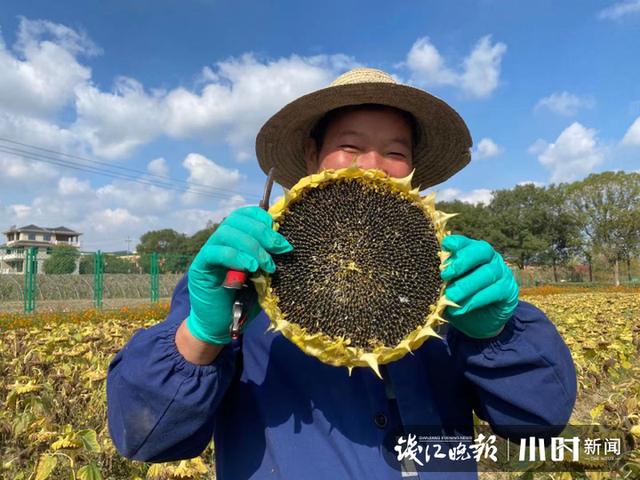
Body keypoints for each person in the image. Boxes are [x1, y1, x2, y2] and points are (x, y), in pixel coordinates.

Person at [107, 68, 577, 479]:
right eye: (350, 145)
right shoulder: (242, 275)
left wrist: (498, 336)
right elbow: (146, 438)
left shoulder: (452, 278)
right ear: (312, 155)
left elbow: (540, 423)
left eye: (395, 152)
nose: (371, 165)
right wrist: (202, 337)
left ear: (411, 169)